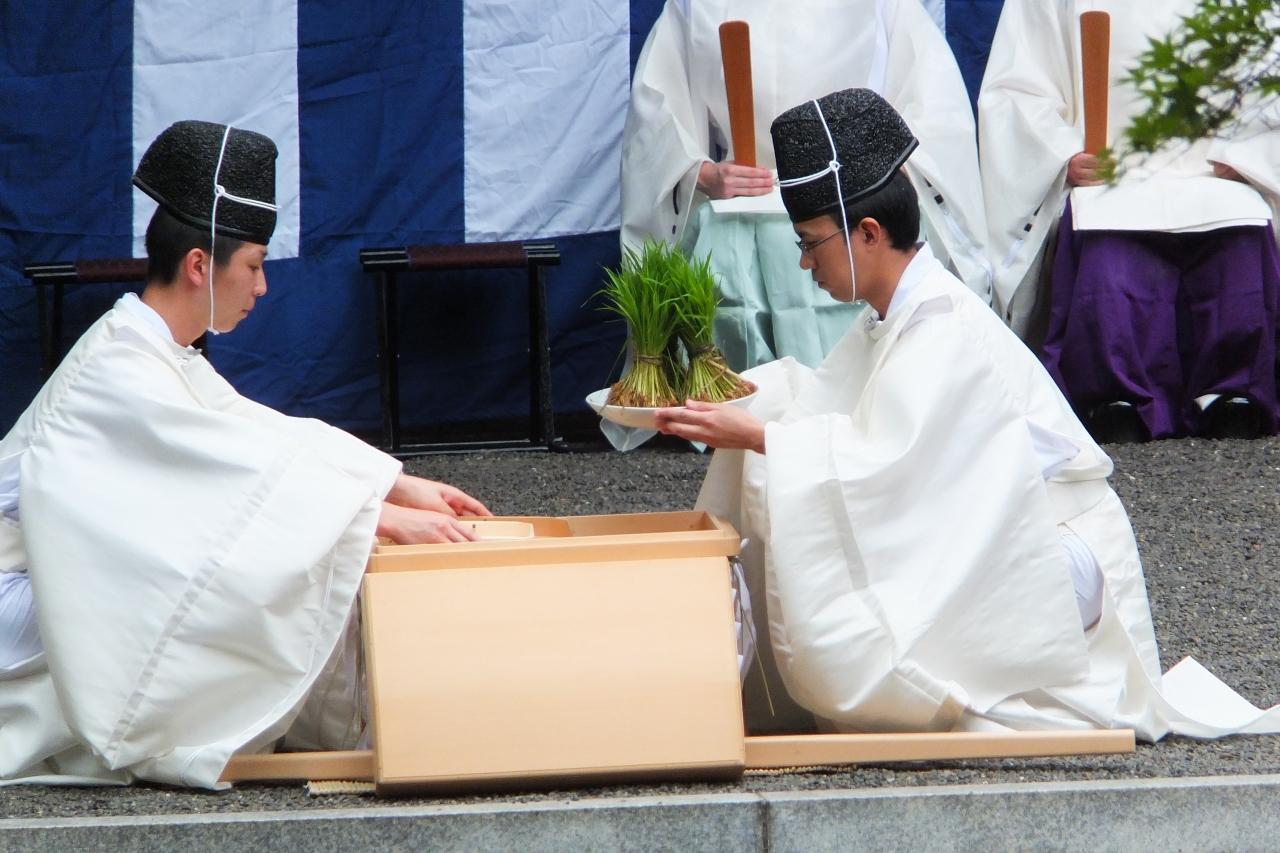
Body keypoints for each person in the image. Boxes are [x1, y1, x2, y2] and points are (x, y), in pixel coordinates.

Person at [656, 88, 1280, 738]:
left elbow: (888, 463)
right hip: (995, 530)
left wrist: (763, 437)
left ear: (868, 233)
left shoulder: (944, 327)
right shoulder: (896, 312)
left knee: (866, 659)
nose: (805, 262)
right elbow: (829, 403)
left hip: (1049, 559)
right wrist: (744, 400)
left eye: (812, 243)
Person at [0, 120, 491, 788]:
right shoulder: (117, 365)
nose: (261, 287)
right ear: (200, 265)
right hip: (31, 593)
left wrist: (394, 485)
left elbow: (260, 436)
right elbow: (232, 478)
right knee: (245, 563)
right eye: (254, 266)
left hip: (68, 570)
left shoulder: (157, 348)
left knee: (267, 552)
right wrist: (375, 516)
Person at [621, 0, 991, 372]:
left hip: (851, 225)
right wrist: (701, 174)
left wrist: (877, 172)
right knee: (745, 379)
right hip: (743, 224)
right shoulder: (696, 5)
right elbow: (657, 108)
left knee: (864, 377)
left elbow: (936, 106)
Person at [978, 0, 1280, 441]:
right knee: (1110, 261)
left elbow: (1270, 70)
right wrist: (1064, 153)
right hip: (1109, 172)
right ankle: (1114, 397)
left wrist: (1248, 156)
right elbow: (1018, 90)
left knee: (1237, 247)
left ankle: (1231, 391)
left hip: (1216, 171)